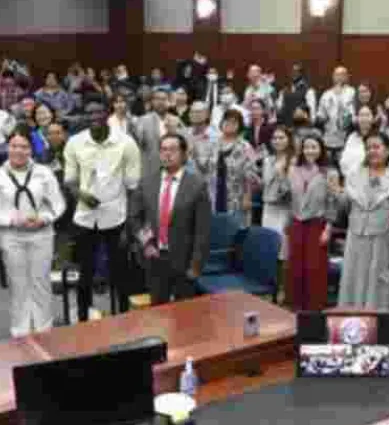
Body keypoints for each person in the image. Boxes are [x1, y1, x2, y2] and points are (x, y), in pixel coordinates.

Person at [64, 97, 141, 321]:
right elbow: (69, 181)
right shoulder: (75, 143)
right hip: (85, 218)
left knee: (120, 273)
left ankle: (124, 317)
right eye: (89, 113)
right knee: (84, 273)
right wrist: (80, 194)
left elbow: (133, 187)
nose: (94, 117)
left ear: (108, 114)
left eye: (98, 112)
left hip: (116, 218)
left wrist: (129, 223)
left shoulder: (126, 143)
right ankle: (83, 318)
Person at [0, 129, 66, 335]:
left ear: (31, 149)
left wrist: (44, 218)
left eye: (24, 146)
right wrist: (12, 220)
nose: (18, 151)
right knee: (18, 284)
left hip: (41, 234)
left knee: (41, 283)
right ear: (7, 148)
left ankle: (44, 328)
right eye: (14, 146)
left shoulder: (44, 172)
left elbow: (58, 204)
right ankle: (20, 331)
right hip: (11, 236)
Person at [129, 134, 211, 305]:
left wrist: (196, 265)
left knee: (184, 314)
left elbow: (202, 230)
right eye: (163, 150)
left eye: (172, 150)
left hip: (184, 261)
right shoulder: (147, 183)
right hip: (155, 258)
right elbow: (134, 217)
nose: (167, 154)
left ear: (183, 154)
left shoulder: (197, 185)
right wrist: (147, 243)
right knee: (158, 312)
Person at [332, 133, 389, 309]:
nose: (372, 151)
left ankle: (380, 323)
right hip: (356, 237)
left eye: (376, 147)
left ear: (387, 150)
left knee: (381, 283)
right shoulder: (355, 173)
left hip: (384, 240)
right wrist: (336, 194)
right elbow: (346, 206)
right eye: (368, 148)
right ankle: (352, 319)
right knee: (354, 280)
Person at [271, 135, 337, 311]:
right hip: (296, 223)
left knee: (314, 268)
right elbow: (284, 197)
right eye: (307, 147)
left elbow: (333, 202)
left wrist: (328, 229)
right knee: (295, 266)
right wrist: (279, 175)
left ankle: (314, 308)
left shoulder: (329, 173)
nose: (310, 151)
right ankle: (295, 306)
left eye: (314, 147)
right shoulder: (293, 170)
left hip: (317, 225)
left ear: (321, 150)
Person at [194, 109, 260, 221]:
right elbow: (203, 168)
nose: (229, 124)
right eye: (226, 121)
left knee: (234, 230)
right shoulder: (212, 144)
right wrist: (195, 151)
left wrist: (247, 197)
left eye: (234, 122)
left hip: (236, 197)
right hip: (213, 194)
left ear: (240, 126)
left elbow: (251, 175)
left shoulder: (246, 147)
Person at [260, 125, 295, 269]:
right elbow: (265, 183)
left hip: (284, 208)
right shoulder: (268, 160)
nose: (277, 141)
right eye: (275, 138)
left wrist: (281, 175)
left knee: (283, 249)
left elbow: (292, 190)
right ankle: (269, 284)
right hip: (268, 207)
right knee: (268, 246)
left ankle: (282, 286)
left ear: (288, 140)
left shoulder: (293, 161)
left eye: (281, 138)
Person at [134, 89, 172, 177]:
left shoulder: (176, 121)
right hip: (150, 170)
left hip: (171, 170)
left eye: (164, 99)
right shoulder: (143, 121)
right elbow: (137, 145)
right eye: (157, 99)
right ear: (152, 102)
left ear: (169, 102)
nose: (160, 102)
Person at [340, 104, 381, 177]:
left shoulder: (379, 138)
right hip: (351, 180)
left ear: (373, 118)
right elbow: (344, 161)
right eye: (361, 115)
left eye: (367, 115)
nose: (364, 118)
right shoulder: (352, 137)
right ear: (357, 118)